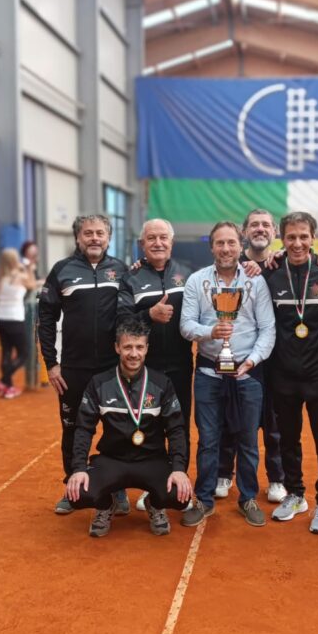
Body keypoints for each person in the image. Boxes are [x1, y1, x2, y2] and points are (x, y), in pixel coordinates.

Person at [179, 220, 276, 528]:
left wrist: (253, 360)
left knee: (248, 440)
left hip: (248, 374)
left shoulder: (255, 281)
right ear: (211, 247)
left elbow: (267, 328)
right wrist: (210, 332)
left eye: (231, 242)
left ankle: (247, 498)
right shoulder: (196, 281)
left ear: (240, 245)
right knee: (208, 440)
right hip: (209, 372)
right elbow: (186, 325)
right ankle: (204, 499)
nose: (225, 248)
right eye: (219, 243)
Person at [65, 317, 192, 537]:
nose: (134, 354)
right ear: (117, 347)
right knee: (78, 494)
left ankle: (155, 504)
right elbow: (84, 428)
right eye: (128, 347)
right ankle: (107, 505)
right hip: (112, 460)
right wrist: (78, 469)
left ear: (147, 348)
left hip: (152, 459)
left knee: (179, 496)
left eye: (139, 347)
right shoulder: (99, 383)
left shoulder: (161, 383)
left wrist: (179, 469)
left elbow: (176, 429)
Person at [39, 214, 130, 515]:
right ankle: (73, 489)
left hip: (112, 368)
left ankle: (117, 488)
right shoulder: (62, 270)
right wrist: (52, 364)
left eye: (100, 233)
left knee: (117, 429)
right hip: (74, 369)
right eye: (88, 233)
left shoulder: (121, 270)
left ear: (108, 237)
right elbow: (46, 319)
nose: (94, 238)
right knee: (74, 431)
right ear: (78, 238)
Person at [263, 212, 318, 534]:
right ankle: (295, 494)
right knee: (288, 440)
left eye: (303, 237)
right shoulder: (271, 275)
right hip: (283, 375)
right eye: (291, 237)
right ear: (282, 239)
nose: (297, 243)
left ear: (313, 239)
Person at [118, 219, 195, 512]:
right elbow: (121, 322)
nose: (158, 243)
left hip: (180, 366)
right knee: (148, 429)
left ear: (172, 242)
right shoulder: (130, 278)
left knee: (180, 427)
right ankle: (152, 487)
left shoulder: (189, 274)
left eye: (163, 237)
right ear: (142, 244)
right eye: (151, 238)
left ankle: (178, 485)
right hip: (144, 370)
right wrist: (149, 315)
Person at [218, 208, 286, 504]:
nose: (260, 229)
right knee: (230, 416)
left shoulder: (283, 264)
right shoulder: (232, 264)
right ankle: (224, 472)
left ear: (275, 232)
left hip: (277, 360)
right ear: (244, 231)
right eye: (254, 225)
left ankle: (277, 479)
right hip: (239, 355)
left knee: (273, 423)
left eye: (266, 225)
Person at [0, 247, 37, 398]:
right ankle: (3, 380)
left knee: (6, 352)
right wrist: (29, 269)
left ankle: (8, 387)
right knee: (23, 353)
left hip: (1, 318)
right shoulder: (19, 276)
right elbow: (32, 284)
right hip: (15, 319)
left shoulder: (0, 278)